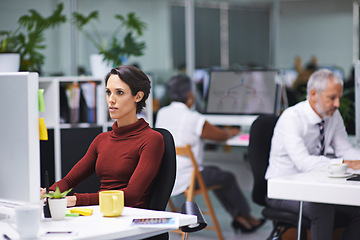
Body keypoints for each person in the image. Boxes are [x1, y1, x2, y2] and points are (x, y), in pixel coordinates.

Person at [41, 65, 164, 208]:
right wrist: (49, 193)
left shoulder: (151, 139)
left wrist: (75, 200)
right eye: (108, 92)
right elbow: (69, 181)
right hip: (103, 215)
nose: (111, 100)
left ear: (138, 96)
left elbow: (131, 196)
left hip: (131, 219)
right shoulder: (102, 140)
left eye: (119, 92)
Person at [155, 74, 266, 233]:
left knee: (218, 173)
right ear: (189, 95)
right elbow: (219, 136)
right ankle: (245, 217)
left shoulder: (162, 113)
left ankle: (241, 218)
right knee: (227, 177)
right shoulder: (192, 117)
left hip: (166, 177)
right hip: (188, 178)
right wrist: (231, 132)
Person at [265, 68, 360, 240]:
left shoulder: (333, 115)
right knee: (321, 210)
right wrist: (346, 163)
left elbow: (345, 149)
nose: (337, 104)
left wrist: (357, 160)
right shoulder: (291, 118)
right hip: (283, 190)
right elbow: (304, 163)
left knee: (357, 208)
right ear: (314, 94)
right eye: (332, 98)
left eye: (339, 97)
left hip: (317, 187)